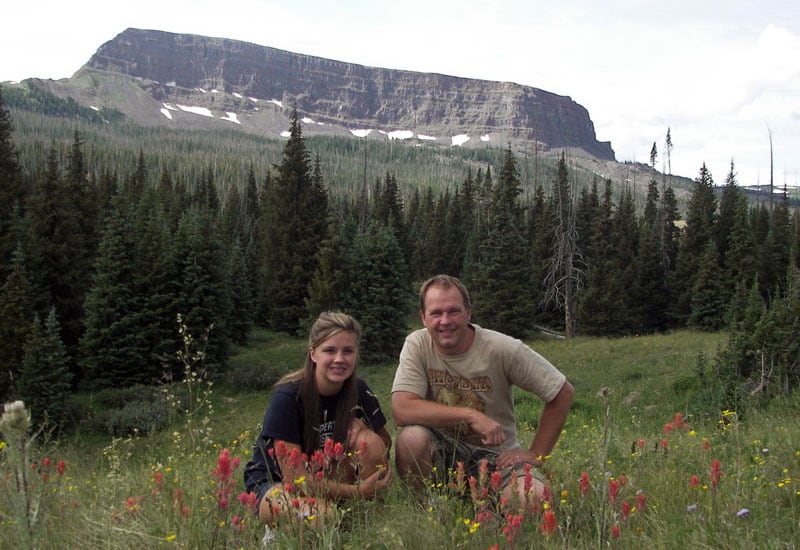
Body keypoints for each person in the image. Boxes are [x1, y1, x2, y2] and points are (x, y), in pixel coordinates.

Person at [391, 275, 573, 507]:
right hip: (443, 453)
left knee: (532, 498)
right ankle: (427, 510)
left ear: (468, 313)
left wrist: (536, 453)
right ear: (423, 318)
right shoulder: (417, 344)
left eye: (453, 311)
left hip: (500, 458)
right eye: (436, 313)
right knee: (411, 439)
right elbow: (402, 409)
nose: (445, 321)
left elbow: (562, 392)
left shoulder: (502, 348)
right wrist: (470, 415)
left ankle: (494, 512)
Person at [244, 311, 392, 524]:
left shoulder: (359, 391)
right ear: (313, 354)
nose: (339, 359)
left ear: (357, 353)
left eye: (348, 351)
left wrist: (363, 431)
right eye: (330, 350)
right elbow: (295, 480)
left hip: (327, 475)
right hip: (277, 484)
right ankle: (280, 529)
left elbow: (384, 444)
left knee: (368, 442)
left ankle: (369, 521)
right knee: (322, 518)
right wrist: (357, 492)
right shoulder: (288, 397)